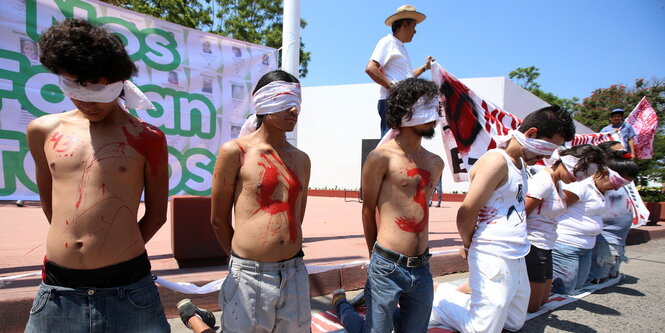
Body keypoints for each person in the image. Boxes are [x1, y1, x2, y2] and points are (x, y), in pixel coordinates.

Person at [25, 18, 169, 332]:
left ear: (117, 80)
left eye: (96, 89)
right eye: (73, 86)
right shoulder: (43, 131)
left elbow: (157, 214)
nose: (86, 101)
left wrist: (115, 250)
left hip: (127, 286)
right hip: (59, 289)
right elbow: (50, 201)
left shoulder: (147, 138)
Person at [178, 70, 311, 333]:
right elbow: (218, 220)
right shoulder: (235, 151)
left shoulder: (301, 159)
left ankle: (193, 318)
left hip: (294, 271)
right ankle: (193, 319)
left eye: (296, 104)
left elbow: (297, 215)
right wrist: (242, 263)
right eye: (285, 102)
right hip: (249, 273)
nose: (293, 110)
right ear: (263, 103)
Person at [431, 106, 576, 333]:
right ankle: (439, 300)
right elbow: (467, 210)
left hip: (517, 253)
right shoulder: (496, 161)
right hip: (492, 250)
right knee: (482, 330)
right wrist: (469, 244)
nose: (547, 157)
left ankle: (464, 302)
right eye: (548, 148)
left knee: (514, 321)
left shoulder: (520, 164)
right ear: (531, 134)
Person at [331, 78, 444, 333]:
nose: (435, 117)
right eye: (427, 108)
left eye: (436, 108)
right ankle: (342, 305)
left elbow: (420, 210)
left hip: (422, 267)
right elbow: (368, 210)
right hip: (387, 264)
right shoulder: (381, 157)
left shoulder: (435, 163)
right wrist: (377, 260)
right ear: (406, 111)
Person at [524, 144, 604, 312]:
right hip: (533, 245)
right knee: (532, 307)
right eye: (577, 174)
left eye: (585, 177)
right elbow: (520, 215)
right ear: (566, 163)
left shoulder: (557, 183)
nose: (578, 180)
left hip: (546, 244)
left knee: (543, 301)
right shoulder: (542, 182)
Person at [550, 149, 636, 295]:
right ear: (603, 171)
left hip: (586, 247)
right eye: (617, 181)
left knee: (577, 287)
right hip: (566, 244)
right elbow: (553, 211)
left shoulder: (603, 191)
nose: (617, 188)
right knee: (563, 290)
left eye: (623, 185)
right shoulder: (580, 187)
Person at [366, 5, 434, 137]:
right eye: (413, 26)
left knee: (402, 143)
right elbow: (371, 68)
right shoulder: (387, 42)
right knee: (392, 143)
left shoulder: (401, 48)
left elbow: (407, 80)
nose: (415, 31)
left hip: (403, 101)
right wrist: (393, 88)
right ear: (404, 24)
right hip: (392, 101)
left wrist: (425, 67)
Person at [588, 149, 639, 284]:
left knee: (611, 272)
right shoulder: (603, 186)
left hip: (619, 239)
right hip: (605, 237)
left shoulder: (618, 187)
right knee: (598, 276)